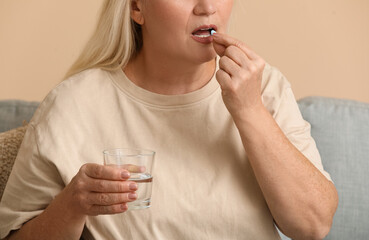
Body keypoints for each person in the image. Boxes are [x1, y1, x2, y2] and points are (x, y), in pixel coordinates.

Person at [0, 0, 338, 239]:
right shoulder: (72, 105)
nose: (208, 6)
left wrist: (250, 111)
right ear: (136, 7)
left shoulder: (263, 87)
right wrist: (71, 206)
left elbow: (313, 226)